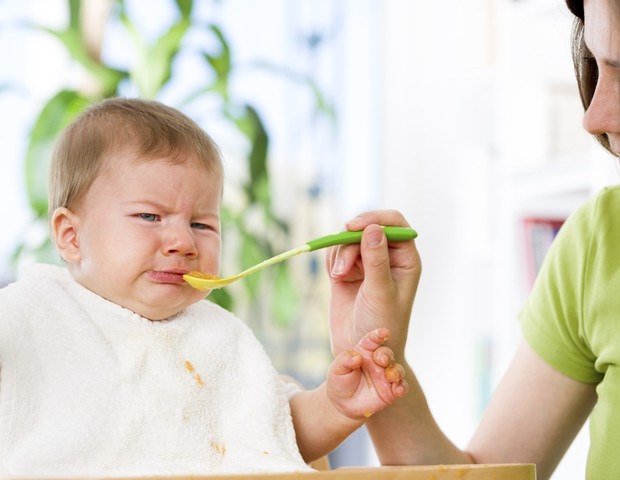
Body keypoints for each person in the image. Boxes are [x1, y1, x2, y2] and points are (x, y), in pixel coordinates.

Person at [0, 97, 409, 477]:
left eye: (202, 224)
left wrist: (334, 407)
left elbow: (273, 433)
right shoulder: (32, 313)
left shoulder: (219, 337)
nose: (184, 242)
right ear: (71, 236)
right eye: (149, 216)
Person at [325, 0, 620, 479]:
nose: (594, 116)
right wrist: (376, 353)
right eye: (597, 65)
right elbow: (483, 475)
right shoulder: (598, 245)